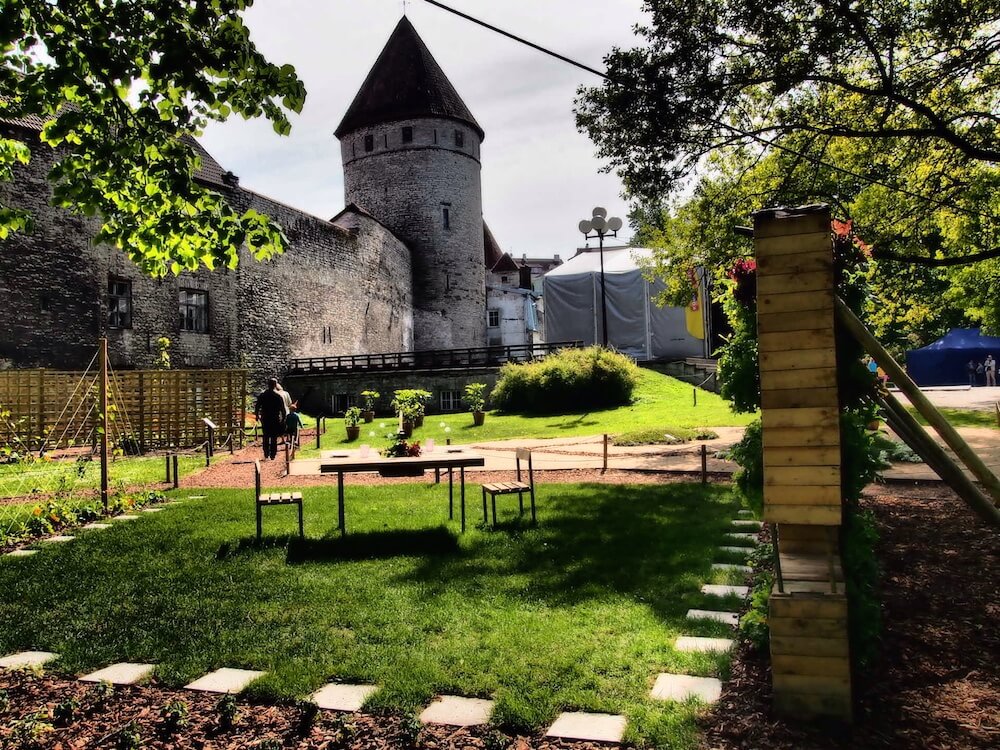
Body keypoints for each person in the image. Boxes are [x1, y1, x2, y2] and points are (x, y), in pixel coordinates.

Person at [255, 378, 287, 460]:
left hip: (265, 418)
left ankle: (266, 453)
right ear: (275, 385)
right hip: (274, 418)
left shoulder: (263, 395)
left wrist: (257, 416)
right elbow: (283, 409)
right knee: (273, 437)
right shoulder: (278, 396)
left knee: (266, 436)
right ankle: (273, 454)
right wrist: (283, 418)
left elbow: (257, 406)